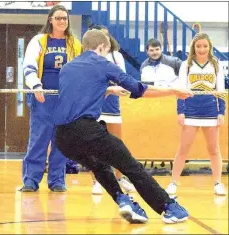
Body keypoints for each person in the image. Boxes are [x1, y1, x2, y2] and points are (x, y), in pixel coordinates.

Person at [54, 29, 192, 224]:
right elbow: (138, 89)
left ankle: (123, 199)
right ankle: (168, 207)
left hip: (61, 136)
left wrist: (107, 89)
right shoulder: (103, 63)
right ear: (101, 47)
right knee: (131, 167)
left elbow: (76, 94)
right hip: (86, 130)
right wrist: (172, 90)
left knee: (99, 166)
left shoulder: (67, 68)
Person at [20, 4, 82, 192]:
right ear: (50, 20)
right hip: (43, 98)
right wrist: (35, 85)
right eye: (58, 18)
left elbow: (80, 70)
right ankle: (31, 180)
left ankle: (57, 180)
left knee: (61, 141)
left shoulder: (74, 43)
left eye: (65, 18)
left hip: (65, 100)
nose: (62, 21)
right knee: (39, 139)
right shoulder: (39, 40)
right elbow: (28, 65)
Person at [166, 32, 227, 196]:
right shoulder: (186, 65)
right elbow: (180, 90)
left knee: (214, 149)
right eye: (198, 46)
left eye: (205, 46)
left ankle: (218, 183)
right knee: (183, 149)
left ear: (210, 47)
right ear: (193, 47)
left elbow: (221, 90)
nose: (202, 49)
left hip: (211, 111)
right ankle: (173, 182)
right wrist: (181, 111)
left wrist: (221, 112)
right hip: (191, 112)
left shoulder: (216, 64)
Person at [88, 24, 136, 195]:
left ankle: (120, 178)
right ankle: (96, 181)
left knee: (117, 144)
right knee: (94, 145)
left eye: (106, 36)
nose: (104, 39)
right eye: (100, 36)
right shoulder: (87, 56)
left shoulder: (116, 56)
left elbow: (121, 78)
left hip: (112, 104)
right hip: (94, 103)